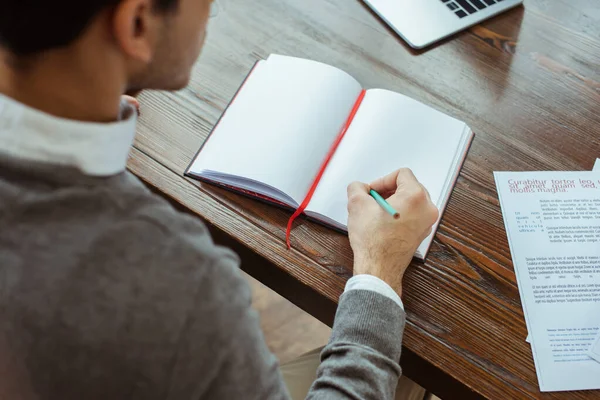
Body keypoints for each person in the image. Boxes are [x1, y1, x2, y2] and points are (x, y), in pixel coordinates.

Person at [0, 0, 439, 398]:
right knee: (408, 365)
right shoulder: (173, 278)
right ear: (136, 23)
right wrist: (378, 270)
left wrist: (78, 96)